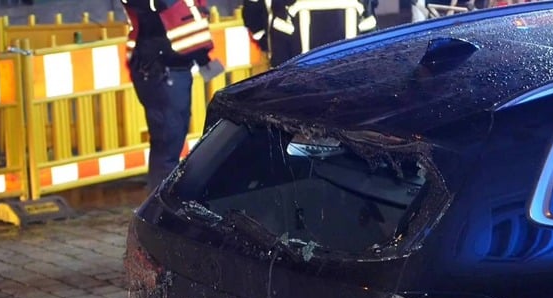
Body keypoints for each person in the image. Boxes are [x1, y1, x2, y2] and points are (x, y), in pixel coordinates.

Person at [121, 0, 223, 192]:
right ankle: (161, 206)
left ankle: (161, 201)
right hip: (160, 70)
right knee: (168, 140)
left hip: (166, 68)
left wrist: (203, 59)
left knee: (169, 139)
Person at [243, 0, 378, 67]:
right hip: (351, 69)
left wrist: (265, 41)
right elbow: (370, 12)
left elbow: (252, 11)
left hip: (289, 67)